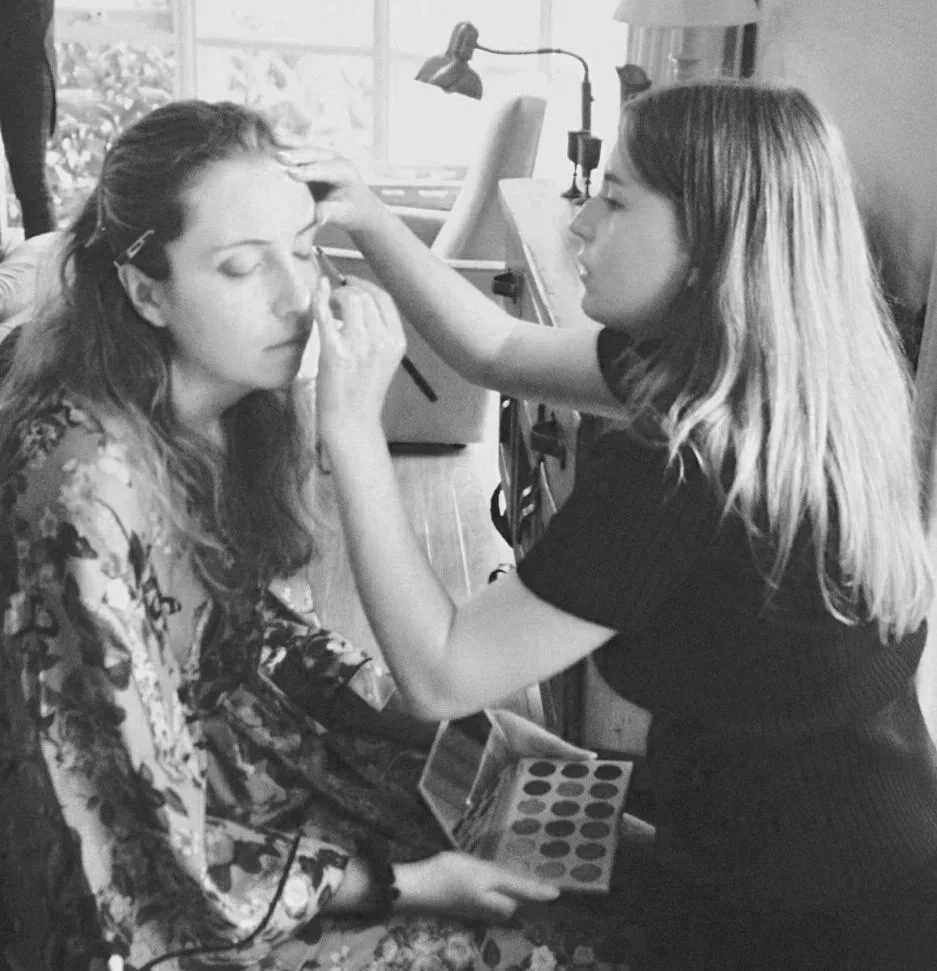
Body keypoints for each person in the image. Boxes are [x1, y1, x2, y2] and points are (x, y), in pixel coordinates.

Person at [284, 79, 937, 968]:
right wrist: (363, 214)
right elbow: (498, 349)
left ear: (710, 243)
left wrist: (352, 432)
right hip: (861, 834)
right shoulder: (778, 371)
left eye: (615, 198)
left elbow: (442, 673)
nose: (577, 223)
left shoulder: (683, 463)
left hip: (809, 918)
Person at [0, 100, 633, 971]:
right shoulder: (83, 486)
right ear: (145, 291)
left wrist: (463, 739)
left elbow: (251, 629)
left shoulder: (229, 402)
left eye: (304, 250)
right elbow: (137, 829)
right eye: (238, 268)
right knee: (540, 943)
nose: (297, 297)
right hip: (127, 860)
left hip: (220, 759)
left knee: (569, 874)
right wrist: (404, 883)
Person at [0, 0, 57, 241]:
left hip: (28, 65)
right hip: (28, 64)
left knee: (32, 185)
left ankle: (46, 271)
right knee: (33, 186)